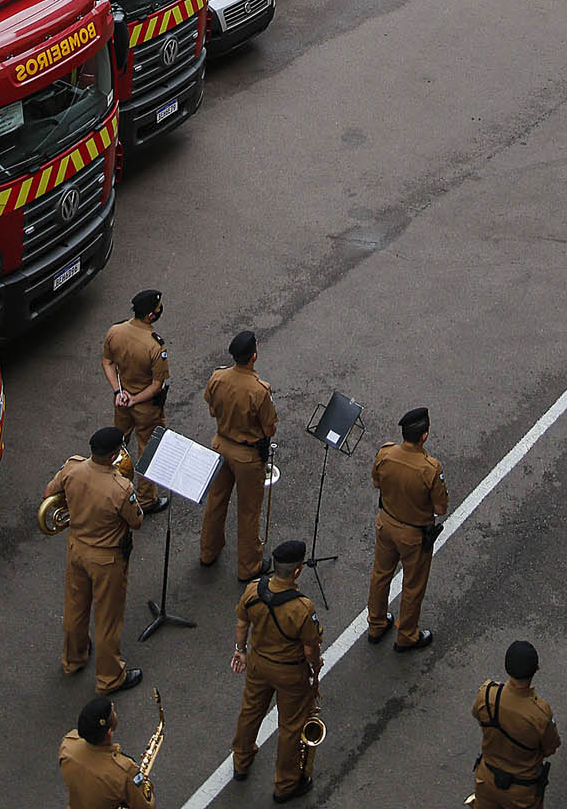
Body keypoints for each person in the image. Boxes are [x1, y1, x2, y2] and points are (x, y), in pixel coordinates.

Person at [43, 429, 144, 696]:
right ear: (113, 455)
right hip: (107, 559)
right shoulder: (121, 488)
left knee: (76, 608)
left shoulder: (72, 468)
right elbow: (136, 520)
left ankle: (73, 659)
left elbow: (49, 493)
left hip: (77, 549)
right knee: (107, 619)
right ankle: (110, 677)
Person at [231, 536, 323, 802]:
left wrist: (240, 650)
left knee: (250, 711)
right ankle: (285, 784)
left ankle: (241, 760)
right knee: (291, 727)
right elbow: (310, 650)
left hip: (258, 664)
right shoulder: (302, 608)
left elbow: (241, 623)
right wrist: (315, 669)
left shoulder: (252, 591)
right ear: (296, 571)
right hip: (289, 673)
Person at [367, 405, 450, 650]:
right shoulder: (430, 468)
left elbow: (376, 482)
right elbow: (441, 508)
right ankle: (406, 635)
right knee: (413, 585)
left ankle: (376, 623)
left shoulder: (386, 453)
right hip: (413, 535)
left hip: (386, 523)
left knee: (380, 575)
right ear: (424, 435)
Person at [199, 328, 277, 581]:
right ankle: (248, 566)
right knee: (248, 510)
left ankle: (208, 551)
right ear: (253, 356)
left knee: (216, 500)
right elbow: (269, 428)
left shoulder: (218, 377)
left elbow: (212, 410)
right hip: (247, 456)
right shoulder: (259, 390)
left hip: (221, 445)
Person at [102, 288, 170, 514]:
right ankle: (146, 499)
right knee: (148, 450)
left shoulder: (115, 331)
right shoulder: (155, 346)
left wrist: (118, 392)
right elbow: (156, 385)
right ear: (151, 316)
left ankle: (110, 484)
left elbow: (108, 362)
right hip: (145, 408)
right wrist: (135, 400)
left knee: (117, 442)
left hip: (121, 400)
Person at [471, 640, 561, 806]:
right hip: (522, 791)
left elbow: (477, 714)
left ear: (507, 666)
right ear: (537, 669)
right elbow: (550, 748)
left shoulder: (487, 694)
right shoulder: (540, 714)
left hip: (486, 778)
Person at [59, 694, 154, 808]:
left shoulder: (68, 744)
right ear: (109, 733)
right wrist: (147, 786)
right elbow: (145, 806)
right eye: (113, 712)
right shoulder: (124, 771)